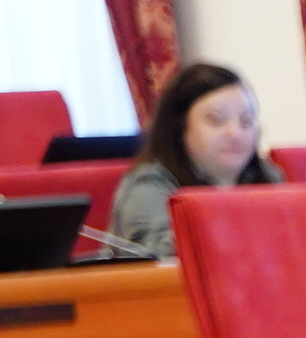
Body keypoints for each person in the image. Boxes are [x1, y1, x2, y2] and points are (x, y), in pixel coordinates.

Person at [106, 61, 277, 256]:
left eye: (246, 121)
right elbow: (156, 253)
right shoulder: (149, 184)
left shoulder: (267, 176)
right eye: (216, 120)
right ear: (180, 127)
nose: (235, 133)